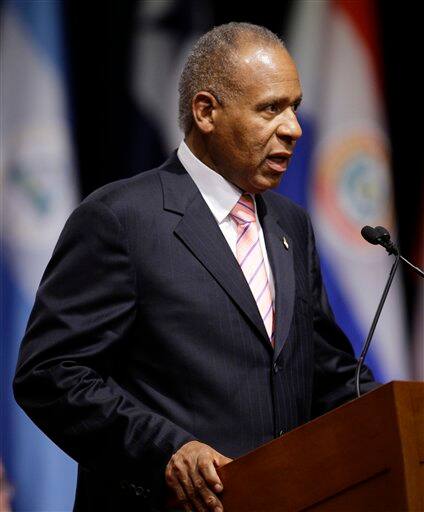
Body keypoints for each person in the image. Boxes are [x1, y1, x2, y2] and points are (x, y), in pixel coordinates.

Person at [13, 22, 377, 512]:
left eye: (295, 107)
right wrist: (167, 452)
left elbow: (330, 376)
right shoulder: (120, 219)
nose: (293, 128)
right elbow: (51, 373)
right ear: (206, 111)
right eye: (271, 108)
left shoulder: (291, 226)